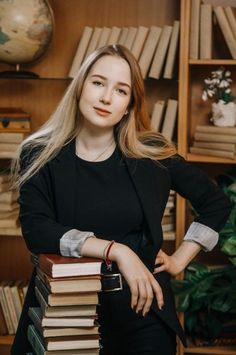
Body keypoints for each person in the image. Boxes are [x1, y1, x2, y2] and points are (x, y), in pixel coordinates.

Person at [11, 44, 232, 355]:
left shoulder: (152, 154)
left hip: (141, 307)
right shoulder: (39, 152)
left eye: (121, 90)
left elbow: (216, 203)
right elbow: (37, 230)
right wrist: (118, 252)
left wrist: (180, 259)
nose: (106, 97)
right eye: (98, 83)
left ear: (129, 105)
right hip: (65, 308)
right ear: (80, 87)